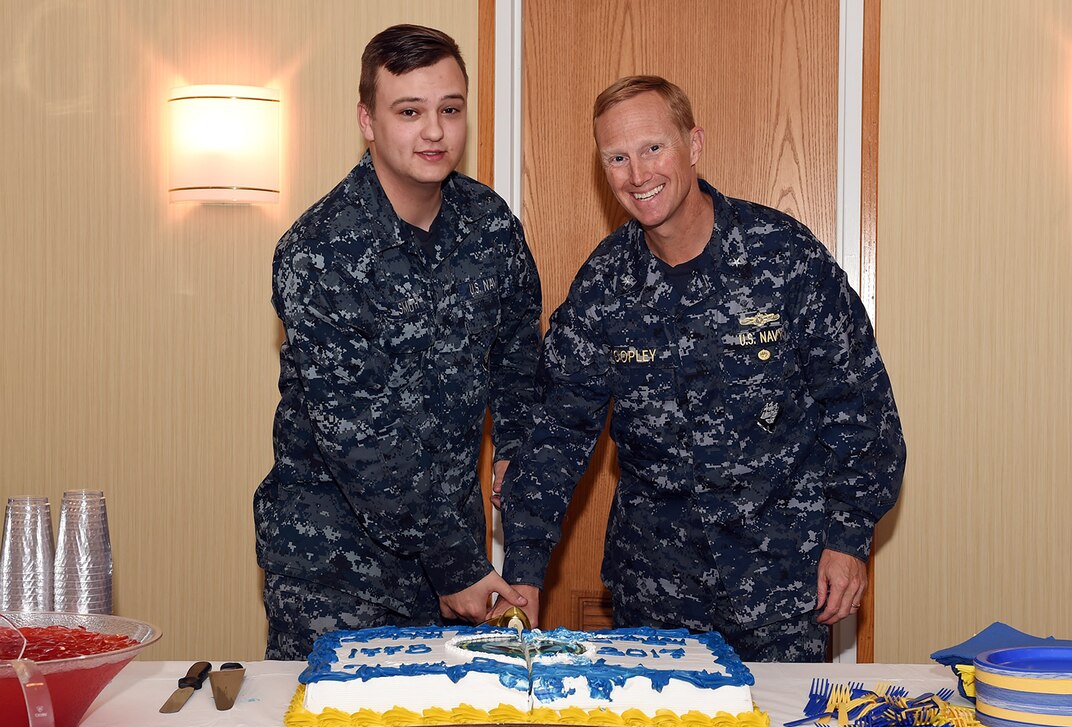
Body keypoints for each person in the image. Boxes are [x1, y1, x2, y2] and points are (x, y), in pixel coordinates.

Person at [492, 76, 905, 662]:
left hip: (782, 592)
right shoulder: (604, 287)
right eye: (617, 157)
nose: (638, 174)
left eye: (653, 148)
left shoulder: (784, 258)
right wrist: (526, 571)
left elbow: (861, 409)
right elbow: (556, 433)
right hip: (655, 597)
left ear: (694, 145)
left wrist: (848, 538)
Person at [254, 24, 541, 660]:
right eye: (409, 111)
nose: (434, 132)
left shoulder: (492, 227)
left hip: (455, 570)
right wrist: (456, 562)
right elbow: (362, 439)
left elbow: (520, 368)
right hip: (336, 572)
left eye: (450, 109)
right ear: (367, 119)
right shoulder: (318, 251)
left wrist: (514, 468)